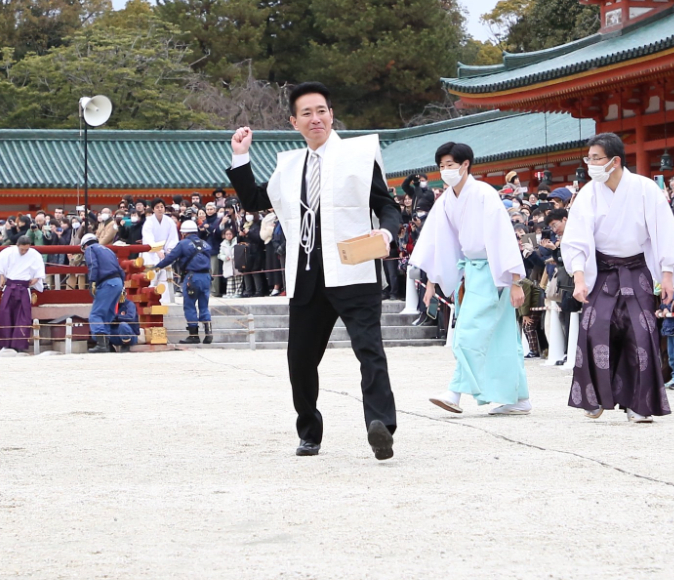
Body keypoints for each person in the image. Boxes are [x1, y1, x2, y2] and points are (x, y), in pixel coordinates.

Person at [226, 82, 404, 460]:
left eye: (321, 110)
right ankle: (309, 430)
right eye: (306, 113)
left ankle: (380, 425)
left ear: (331, 114)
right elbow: (255, 200)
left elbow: (387, 205)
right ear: (294, 122)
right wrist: (241, 157)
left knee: (369, 350)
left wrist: (386, 232)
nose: (315, 118)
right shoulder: (289, 166)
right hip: (307, 273)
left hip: (354, 270)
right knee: (300, 360)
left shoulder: (359, 155)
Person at [561, 133, 674, 422]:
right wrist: (579, 278)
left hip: (636, 269)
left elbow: (664, 233)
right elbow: (576, 240)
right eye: (589, 158)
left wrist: (667, 276)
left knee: (641, 332)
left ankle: (639, 404)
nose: (590, 164)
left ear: (614, 161)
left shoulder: (645, 189)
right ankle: (594, 397)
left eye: (596, 158)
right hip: (601, 271)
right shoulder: (588, 194)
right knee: (593, 329)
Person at [414, 141, 530, 416]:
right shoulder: (446, 200)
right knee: (501, 336)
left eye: (450, 165)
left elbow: (504, 236)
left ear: (465, 165)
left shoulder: (484, 194)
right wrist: (431, 281)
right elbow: (438, 241)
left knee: (468, 332)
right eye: (441, 166)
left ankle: (454, 392)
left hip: (494, 271)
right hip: (471, 270)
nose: (445, 170)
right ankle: (519, 398)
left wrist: (515, 281)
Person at [156, 217, 217, 344]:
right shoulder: (205, 244)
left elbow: (171, 257)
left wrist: (157, 267)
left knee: (189, 305)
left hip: (192, 277)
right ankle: (208, 333)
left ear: (183, 233)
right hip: (206, 277)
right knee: (204, 305)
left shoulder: (183, 244)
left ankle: (194, 335)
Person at [0, 239, 45, 351]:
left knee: (23, 317)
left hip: (24, 287)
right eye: (22, 249)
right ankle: (5, 344)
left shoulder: (34, 254)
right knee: (5, 315)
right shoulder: (8, 252)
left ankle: (19, 345)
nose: (24, 252)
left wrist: (36, 278)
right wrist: (1, 276)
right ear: (17, 245)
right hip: (10, 286)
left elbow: (39, 271)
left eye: (26, 249)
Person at [80, 233, 129, 351]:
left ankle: (101, 344)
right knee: (108, 314)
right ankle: (107, 344)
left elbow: (93, 265)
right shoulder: (108, 250)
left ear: (85, 245)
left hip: (107, 283)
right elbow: (120, 269)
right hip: (117, 282)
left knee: (96, 314)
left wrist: (92, 281)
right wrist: (122, 287)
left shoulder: (90, 249)